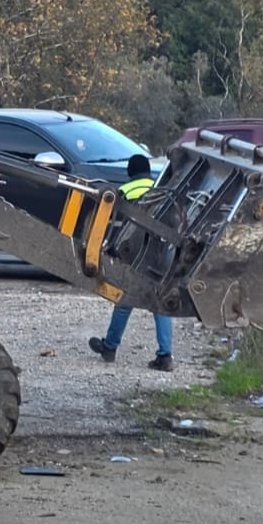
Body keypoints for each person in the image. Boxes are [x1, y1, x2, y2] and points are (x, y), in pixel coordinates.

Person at [87, 154, 173, 370]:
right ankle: (165, 355)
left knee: (124, 301)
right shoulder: (159, 190)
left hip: (135, 255)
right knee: (160, 305)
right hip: (160, 255)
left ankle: (110, 347)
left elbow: (115, 226)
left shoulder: (124, 191)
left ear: (130, 172)